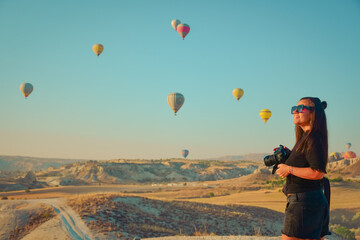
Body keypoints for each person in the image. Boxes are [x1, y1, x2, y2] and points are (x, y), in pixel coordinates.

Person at [276, 97, 330, 240]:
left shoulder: (312, 138)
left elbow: (317, 173)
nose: (295, 111)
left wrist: (289, 169)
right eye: (294, 108)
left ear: (314, 113)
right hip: (308, 201)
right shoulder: (306, 138)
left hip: (304, 203)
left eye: (301, 108)